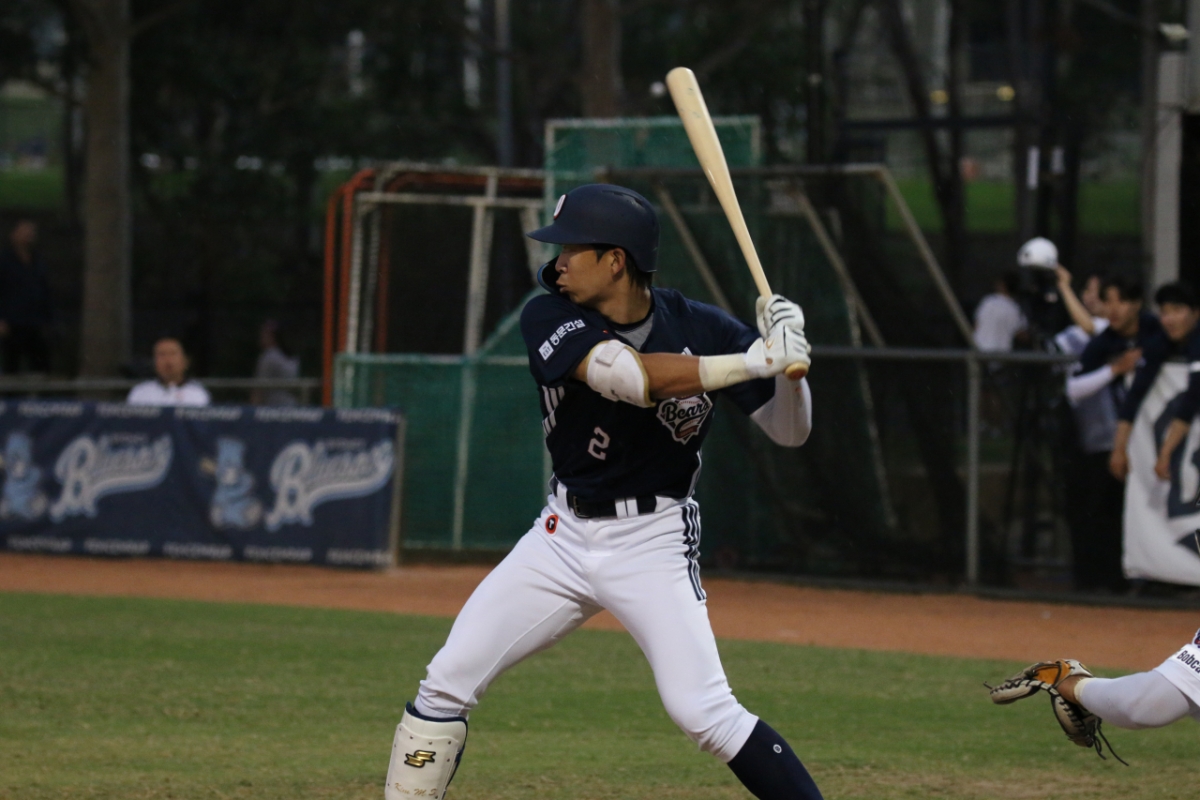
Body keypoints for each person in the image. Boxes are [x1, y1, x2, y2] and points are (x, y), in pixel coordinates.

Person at [383, 184, 821, 800]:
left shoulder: (701, 326)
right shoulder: (550, 315)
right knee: (445, 681)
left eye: (572, 249)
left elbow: (790, 430)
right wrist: (752, 362)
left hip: (653, 540)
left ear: (615, 260)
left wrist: (791, 368)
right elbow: (629, 378)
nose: (557, 261)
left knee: (705, 713)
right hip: (561, 537)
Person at [1058, 274, 1156, 592]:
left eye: (1121, 301)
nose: (1113, 309)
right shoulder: (1103, 342)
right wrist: (1115, 369)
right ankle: (1107, 581)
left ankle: (1156, 580)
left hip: (1152, 442)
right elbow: (1074, 388)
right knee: (1103, 511)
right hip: (1109, 442)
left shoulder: (1156, 331)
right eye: (1108, 301)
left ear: (1137, 304)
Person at [1110, 282, 1200, 483]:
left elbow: (1192, 397)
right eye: (1164, 312)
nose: (1170, 319)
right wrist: (1119, 448)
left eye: (1177, 310)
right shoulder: (1158, 343)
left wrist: (1166, 452)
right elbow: (1135, 394)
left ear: (1195, 313)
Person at [0, 219, 53, 373]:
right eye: (24, 232)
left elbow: (44, 290)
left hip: (35, 321)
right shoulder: (4, 261)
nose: (28, 236)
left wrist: (48, 318)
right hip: (12, 322)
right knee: (12, 364)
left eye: (31, 232)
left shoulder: (38, 261)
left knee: (41, 364)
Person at [127, 337, 210, 406]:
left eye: (173, 354)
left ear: (185, 361)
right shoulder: (140, 393)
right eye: (162, 354)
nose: (168, 360)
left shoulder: (198, 394)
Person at [973, 269, 1026, 352]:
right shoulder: (1014, 308)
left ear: (1002, 285)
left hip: (979, 350)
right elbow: (1021, 335)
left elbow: (976, 325)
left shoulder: (987, 301)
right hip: (1000, 354)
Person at [251, 320, 299, 406]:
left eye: (264, 334)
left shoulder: (269, 356)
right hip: (291, 405)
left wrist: (252, 410)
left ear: (272, 337)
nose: (261, 337)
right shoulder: (291, 356)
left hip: (274, 408)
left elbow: (259, 388)